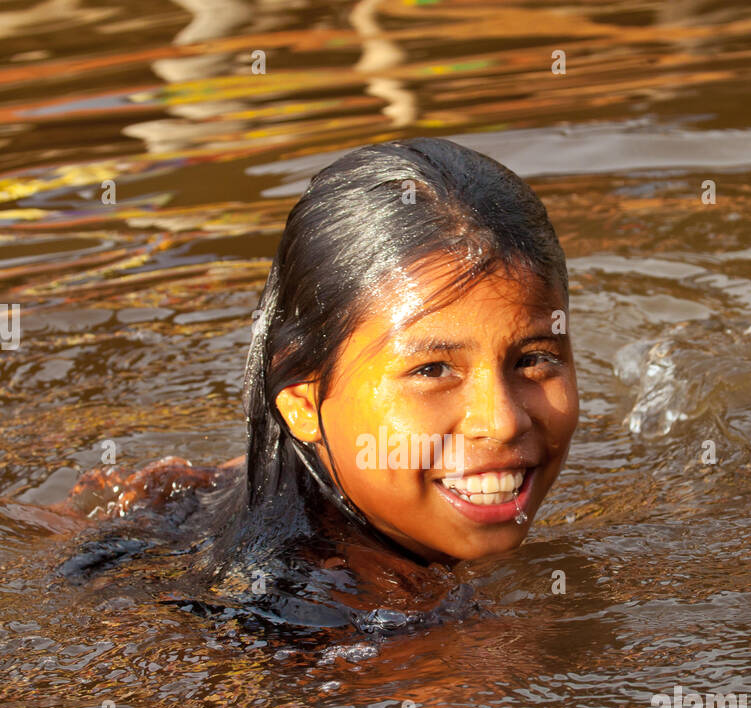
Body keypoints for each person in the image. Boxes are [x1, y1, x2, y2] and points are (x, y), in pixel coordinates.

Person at [58, 137, 579, 632]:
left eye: (533, 359)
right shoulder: (362, 631)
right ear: (303, 404)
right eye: (431, 370)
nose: (504, 421)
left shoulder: (198, 490)